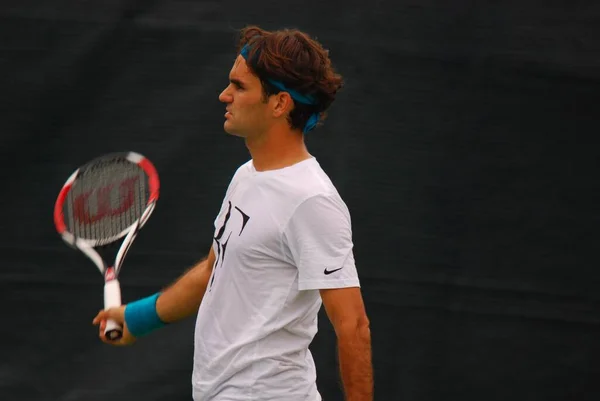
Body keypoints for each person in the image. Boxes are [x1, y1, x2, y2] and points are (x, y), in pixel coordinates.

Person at [93, 25, 373, 401]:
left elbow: (353, 325)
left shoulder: (312, 200)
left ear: (279, 103)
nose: (224, 95)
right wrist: (137, 318)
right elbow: (214, 269)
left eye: (240, 87)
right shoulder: (247, 176)